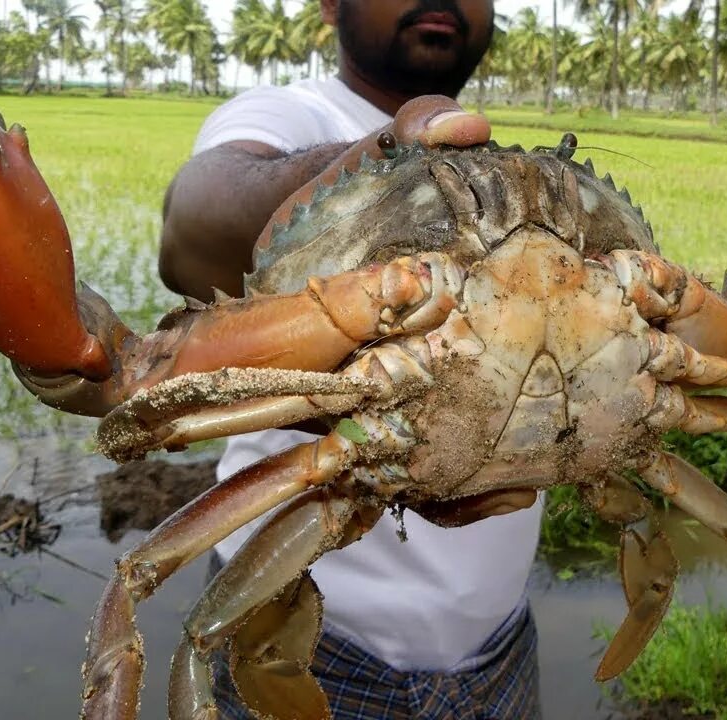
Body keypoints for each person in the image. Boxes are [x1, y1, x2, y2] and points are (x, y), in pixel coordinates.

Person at [157, 1, 543, 718]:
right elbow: (195, 226)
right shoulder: (285, 117)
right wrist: (378, 165)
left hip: (503, 649)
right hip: (308, 649)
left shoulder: (509, 167)